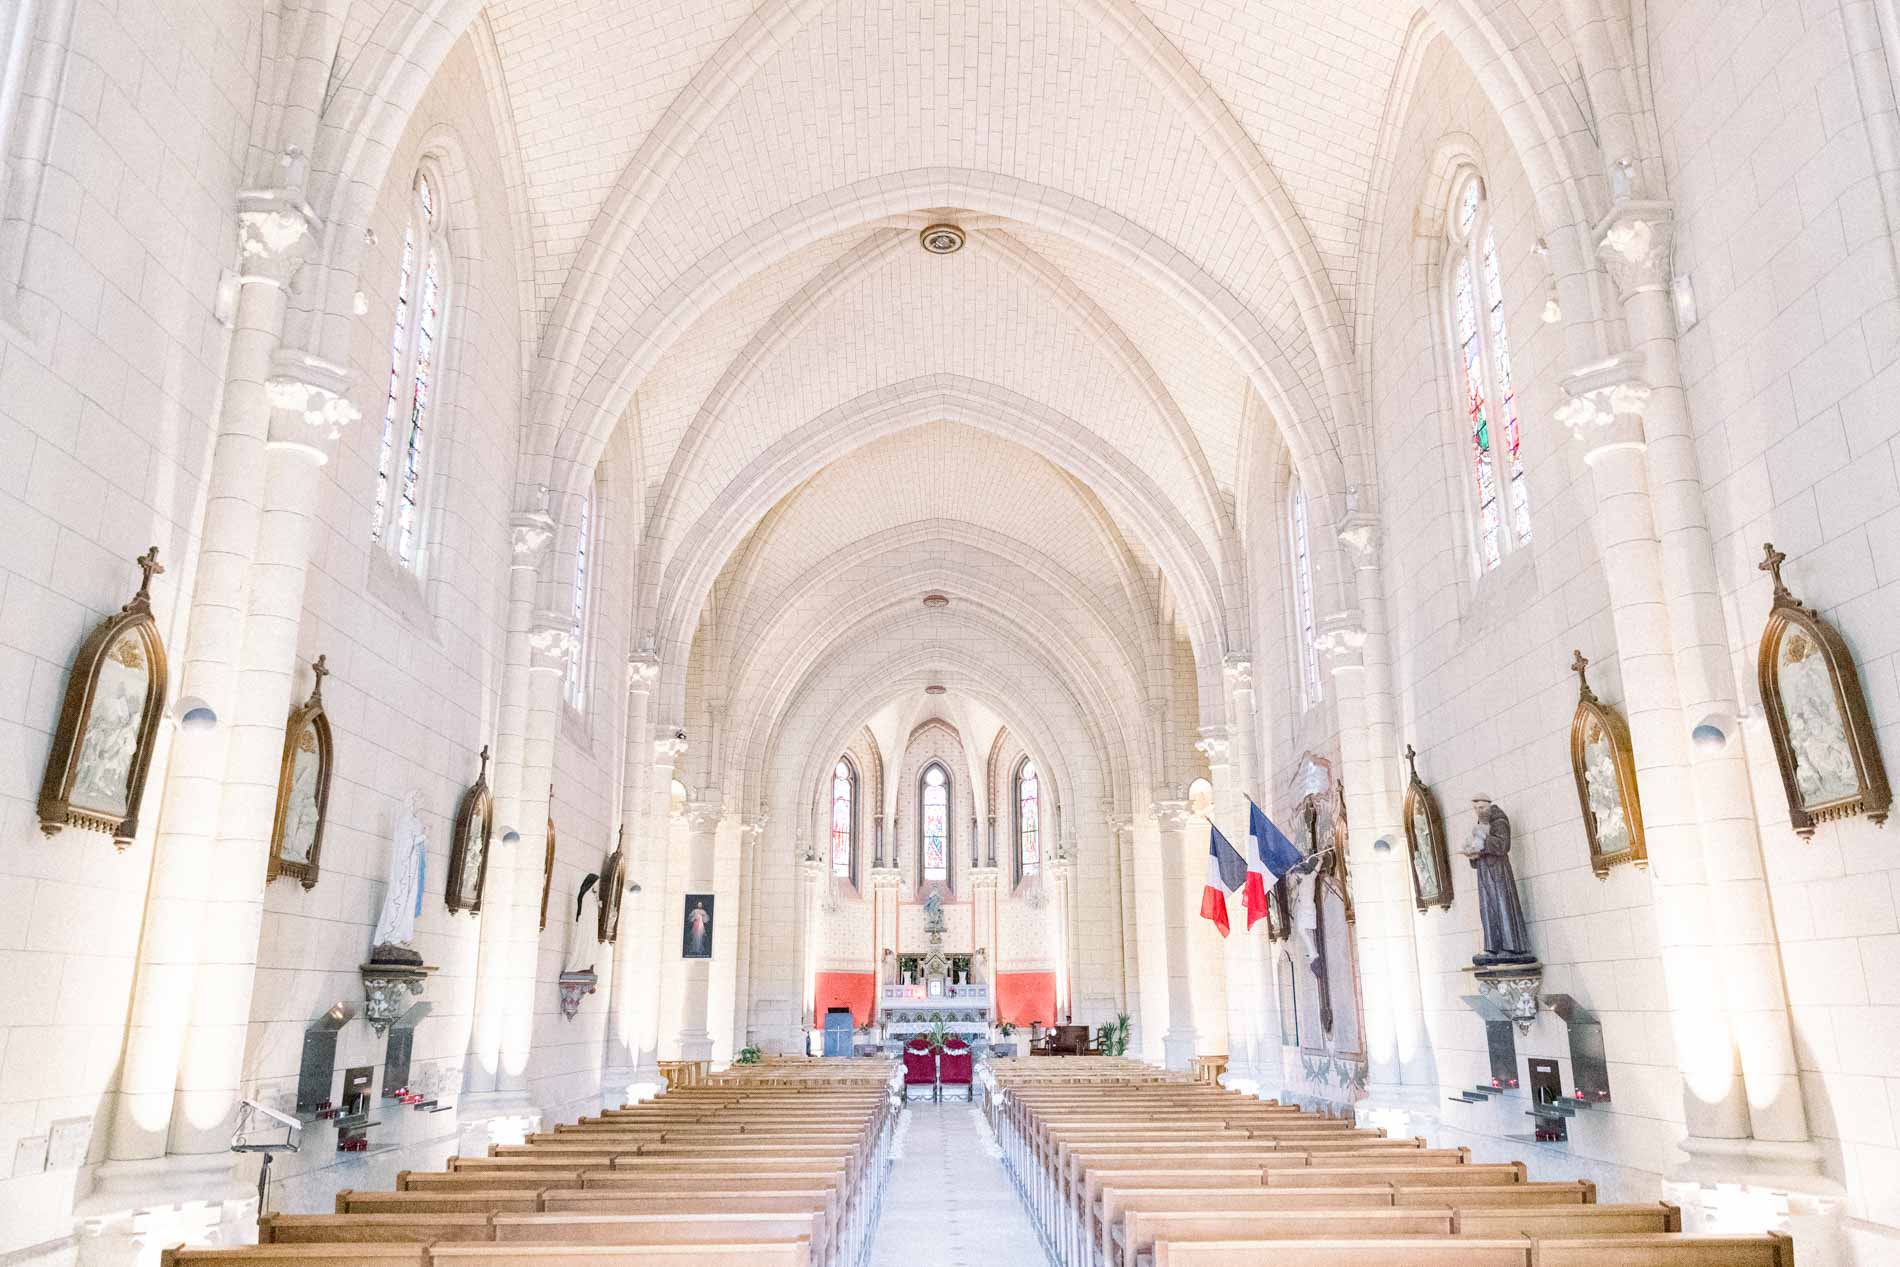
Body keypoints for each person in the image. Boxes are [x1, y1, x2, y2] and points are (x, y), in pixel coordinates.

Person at [1461, 795, 1534, 965]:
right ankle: (1492, 946)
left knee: (1503, 904)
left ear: (1489, 806)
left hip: (1499, 870)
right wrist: (1472, 853)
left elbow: (1503, 845)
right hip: (1484, 870)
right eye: (1475, 808)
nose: (1478, 812)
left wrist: (1484, 839)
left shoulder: (1499, 820)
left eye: (1481, 808)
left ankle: (1510, 946)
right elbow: (1478, 845)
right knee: (1487, 907)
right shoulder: (1480, 824)